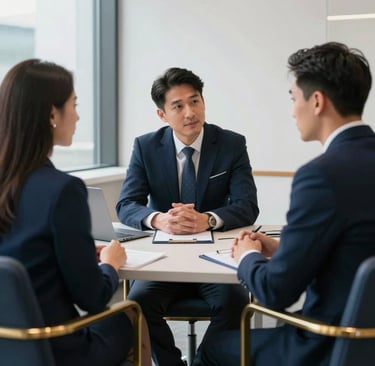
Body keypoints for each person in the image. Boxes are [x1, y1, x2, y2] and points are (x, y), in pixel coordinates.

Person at [199, 42, 375, 366]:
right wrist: (284, 249)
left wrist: (247, 256)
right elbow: (355, 247)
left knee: (213, 349)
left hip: (331, 343)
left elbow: (275, 292)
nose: (293, 110)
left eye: (294, 98)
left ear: (317, 101)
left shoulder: (320, 176)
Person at [0, 59, 151, 366]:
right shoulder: (62, 190)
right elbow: (92, 298)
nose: (79, 115)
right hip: (57, 348)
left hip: (8, 349)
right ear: (52, 114)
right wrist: (110, 263)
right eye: (74, 104)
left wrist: (77, 254)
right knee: (132, 317)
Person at [116, 67, 259, 365]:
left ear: (204, 102)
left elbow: (247, 205)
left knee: (234, 303)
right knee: (137, 304)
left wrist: (207, 219)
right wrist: (159, 219)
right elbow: (127, 204)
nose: (189, 112)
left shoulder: (231, 144)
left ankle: (204, 362)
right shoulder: (146, 146)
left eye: (195, 101)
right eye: (178, 106)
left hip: (215, 261)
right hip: (165, 261)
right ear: (162, 115)